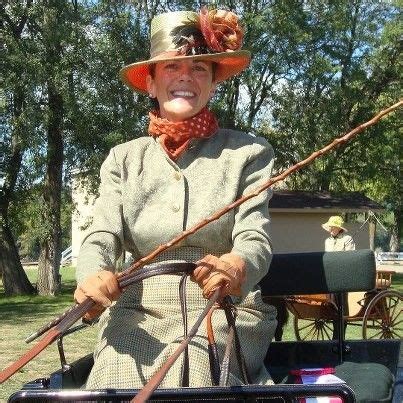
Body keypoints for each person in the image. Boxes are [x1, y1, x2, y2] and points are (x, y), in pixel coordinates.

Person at [73, 8, 277, 389]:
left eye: (200, 67)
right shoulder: (122, 158)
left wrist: (238, 265)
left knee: (192, 362)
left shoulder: (250, 153)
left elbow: (255, 237)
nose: (186, 76)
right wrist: (91, 275)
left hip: (223, 306)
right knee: (114, 379)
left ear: (213, 84)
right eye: (171, 67)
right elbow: (102, 235)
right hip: (137, 311)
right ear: (150, 84)